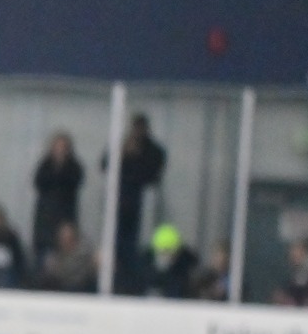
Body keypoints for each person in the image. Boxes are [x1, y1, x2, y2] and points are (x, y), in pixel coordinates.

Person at [104, 113, 167, 294]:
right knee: (119, 246)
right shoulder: (123, 146)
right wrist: (123, 153)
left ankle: (138, 285)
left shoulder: (153, 151)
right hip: (121, 206)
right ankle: (118, 284)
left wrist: (136, 158)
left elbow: (153, 176)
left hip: (143, 207)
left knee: (138, 249)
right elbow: (105, 165)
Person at [31, 131, 84, 261]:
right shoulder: (45, 165)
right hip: (45, 216)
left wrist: (61, 168)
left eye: (63, 147)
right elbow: (38, 183)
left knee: (65, 254)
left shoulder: (74, 167)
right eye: (57, 146)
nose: (59, 150)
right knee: (44, 254)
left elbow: (75, 183)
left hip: (65, 214)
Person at [35, 220, 98, 293]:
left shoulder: (85, 260)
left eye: (68, 238)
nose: (65, 242)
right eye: (62, 238)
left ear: (75, 240)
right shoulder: (52, 260)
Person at [140, 223, 201, 299]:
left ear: (178, 253)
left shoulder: (185, 270)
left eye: (169, 252)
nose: (165, 257)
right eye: (162, 253)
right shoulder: (144, 268)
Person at [272, 238, 308, 308]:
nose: (292, 254)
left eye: (297, 250)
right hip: (298, 309)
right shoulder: (296, 269)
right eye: (292, 250)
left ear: (304, 252)